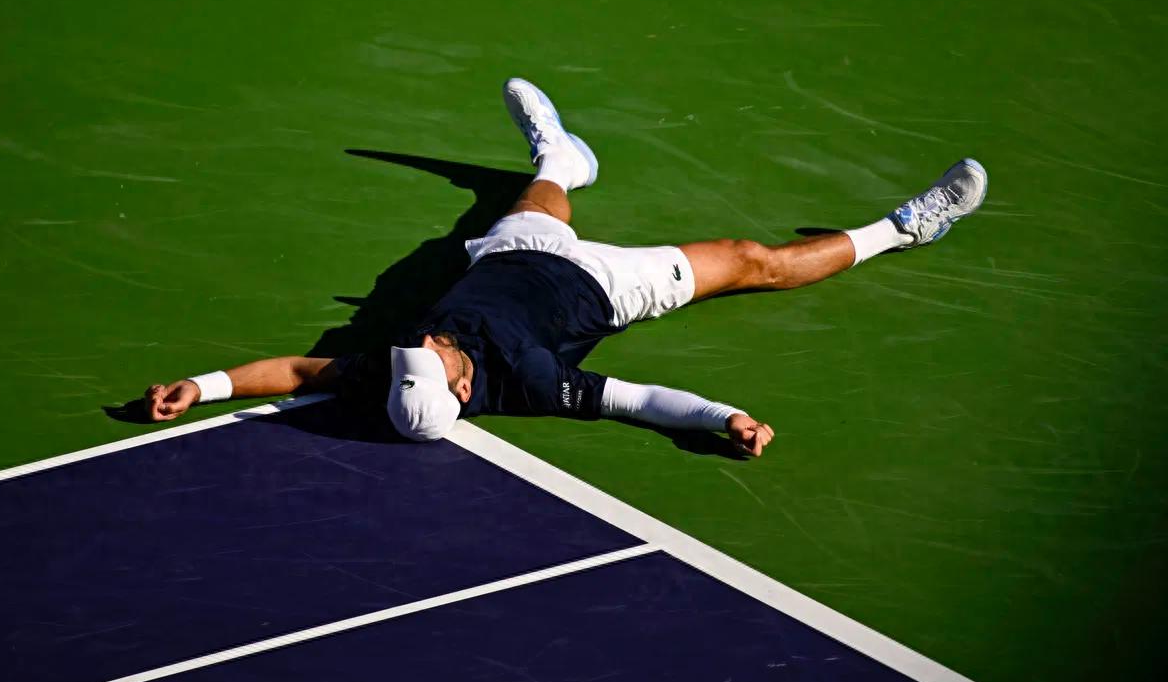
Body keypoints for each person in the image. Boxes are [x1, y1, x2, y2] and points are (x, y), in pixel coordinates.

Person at [144, 79, 987, 457]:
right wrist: (722, 416)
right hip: (607, 287)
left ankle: (566, 157)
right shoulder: (537, 382)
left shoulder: (391, 373)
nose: (424, 339)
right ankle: (906, 229)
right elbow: (639, 404)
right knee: (754, 261)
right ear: (464, 392)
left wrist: (201, 384)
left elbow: (295, 368)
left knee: (542, 196)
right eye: (429, 357)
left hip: (519, 255)